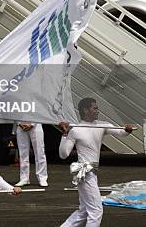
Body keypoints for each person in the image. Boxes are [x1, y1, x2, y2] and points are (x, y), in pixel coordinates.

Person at [58, 97, 136, 227]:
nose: (98, 111)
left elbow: (120, 132)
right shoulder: (76, 130)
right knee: (96, 210)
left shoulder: (102, 125)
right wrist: (65, 134)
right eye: (95, 108)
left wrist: (127, 130)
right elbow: (63, 154)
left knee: (84, 211)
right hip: (84, 172)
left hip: (91, 172)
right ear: (85, 110)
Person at [14, 122, 48, 187]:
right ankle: (24, 178)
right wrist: (19, 123)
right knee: (23, 153)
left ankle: (42, 178)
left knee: (39, 152)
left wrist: (32, 124)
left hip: (36, 123)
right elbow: (15, 112)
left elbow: (41, 111)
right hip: (20, 125)